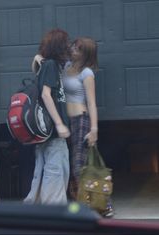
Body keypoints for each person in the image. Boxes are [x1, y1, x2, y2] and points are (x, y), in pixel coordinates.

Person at [63, 37, 113, 216]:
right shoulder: (66, 66)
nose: (73, 49)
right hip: (65, 121)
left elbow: (92, 103)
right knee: (68, 166)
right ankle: (81, 205)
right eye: (74, 46)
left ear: (86, 54)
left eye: (78, 48)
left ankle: (104, 204)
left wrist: (94, 129)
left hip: (81, 121)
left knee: (80, 167)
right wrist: (37, 58)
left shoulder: (87, 73)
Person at [24, 28, 71, 205]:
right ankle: (55, 218)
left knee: (41, 175)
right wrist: (59, 124)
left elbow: (36, 64)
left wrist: (38, 58)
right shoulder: (51, 66)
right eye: (65, 43)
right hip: (53, 133)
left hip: (45, 135)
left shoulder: (46, 65)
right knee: (56, 174)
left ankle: (34, 215)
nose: (68, 46)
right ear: (59, 46)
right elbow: (45, 95)